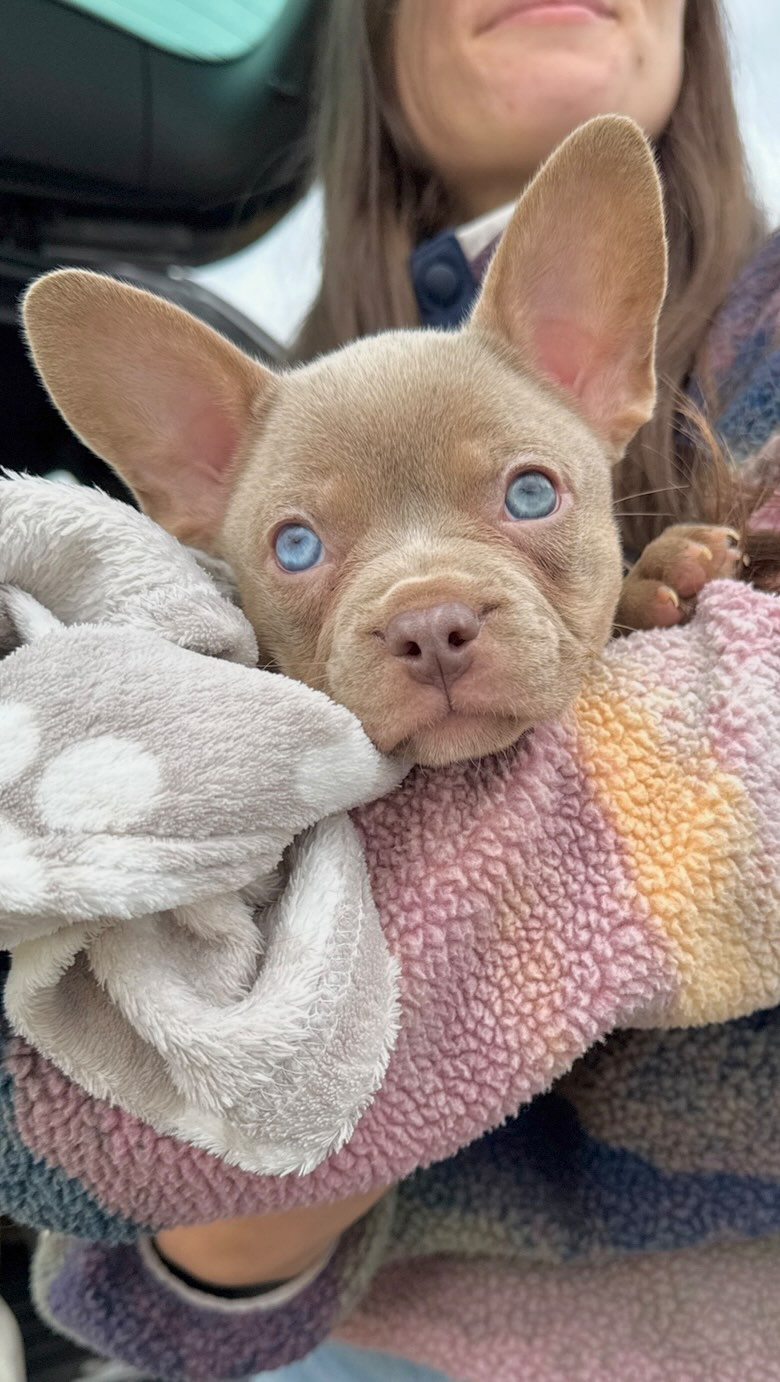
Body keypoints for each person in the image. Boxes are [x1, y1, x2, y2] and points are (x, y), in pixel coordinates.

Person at [29, 2, 780, 1379]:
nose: (431, 613)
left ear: (602, 373)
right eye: (301, 547)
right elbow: (136, 1244)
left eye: (529, 494)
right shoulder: (252, 436)